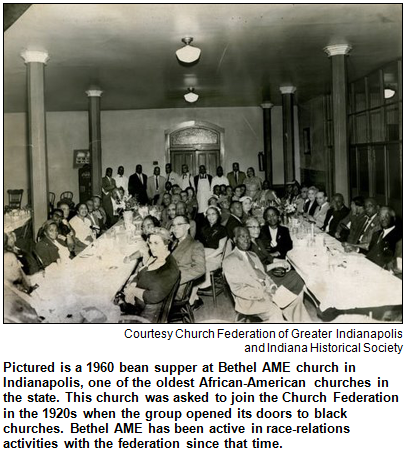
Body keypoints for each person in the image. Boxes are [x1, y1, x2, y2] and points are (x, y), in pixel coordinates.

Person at [223, 227, 311, 322]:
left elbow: (265, 276)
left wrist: (272, 286)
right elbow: (237, 289)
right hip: (250, 300)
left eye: (248, 237)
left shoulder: (253, 255)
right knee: (275, 311)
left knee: (295, 301)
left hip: (268, 292)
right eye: (242, 237)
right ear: (234, 239)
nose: (246, 240)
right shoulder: (230, 260)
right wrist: (263, 293)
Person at [119, 228, 180, 322]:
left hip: (145, 316)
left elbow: (153, 296)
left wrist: (132, 290)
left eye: (156, 243)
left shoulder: (170, 269)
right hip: (137, 304)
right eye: (150, 243)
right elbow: (140, 273)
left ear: (166, 244)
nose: (152, 247)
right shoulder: (156, 257)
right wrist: (132, 285)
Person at [245, 217, 304, 295]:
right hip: (263, 278)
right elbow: (258, 269)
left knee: (295, 274)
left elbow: (268, 257)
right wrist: (277, 264)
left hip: (268, 271)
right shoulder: (247, 246)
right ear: (246, 229)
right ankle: (286, 301)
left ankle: (290, 301)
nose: (257, 230)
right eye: (253, 227)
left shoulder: (258, 240)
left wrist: (282, 261)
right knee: (296, 278)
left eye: (258, 227)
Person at [170, 215, 206, 301]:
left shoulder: (195, 245)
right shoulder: (174, 242)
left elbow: (200, 269)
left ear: (187, 227)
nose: (175, 228)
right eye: (174, 225)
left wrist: (174, 279)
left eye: (179, 224)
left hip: (176, 288)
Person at [197, 206, 228, 289]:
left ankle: (204, 284)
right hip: (203, 254)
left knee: (202, 265)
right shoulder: (203, 229)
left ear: (218, 215)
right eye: (208, 215)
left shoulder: (222, 229)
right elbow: (199, 245)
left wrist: (207, 257)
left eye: (213, 214)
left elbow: (220, 249)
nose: (211, 217)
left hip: (215, 256)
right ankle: (192, 295)